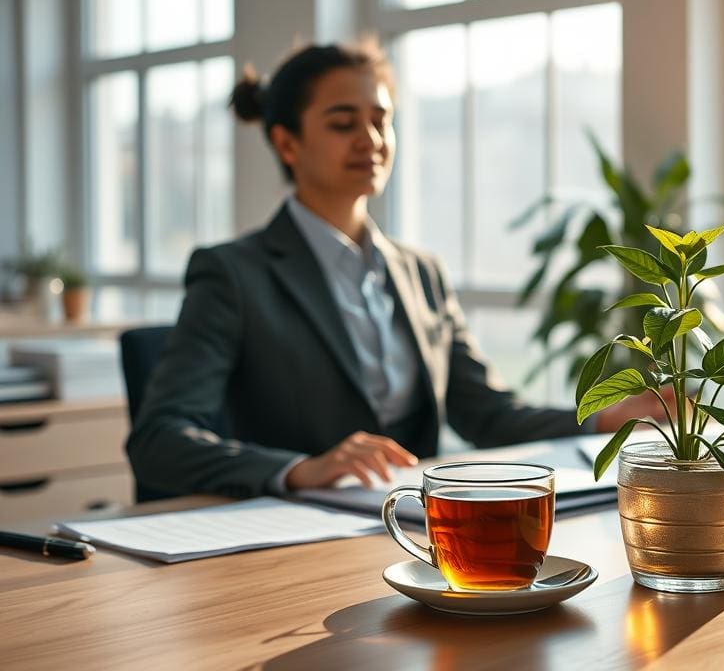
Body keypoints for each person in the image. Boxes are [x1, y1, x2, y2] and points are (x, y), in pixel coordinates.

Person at [126, 40, 669, 498]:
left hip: (416, 527)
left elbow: (486, 414)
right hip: (295, 541)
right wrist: (300, 469)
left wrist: (607, 418)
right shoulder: (234, 274)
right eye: (343, 123)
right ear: (286, 142)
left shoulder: (421, 273)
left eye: (381, 119)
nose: (372, 140)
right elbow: (159, 442)